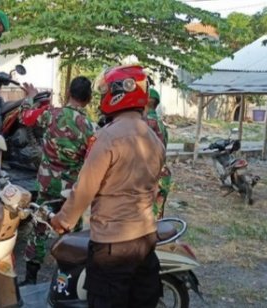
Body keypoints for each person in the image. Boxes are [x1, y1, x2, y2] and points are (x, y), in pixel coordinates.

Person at [50, 65, 165, 308]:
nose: (102, 96)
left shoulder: (108, 137)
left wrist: (63, 220)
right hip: (145, 239)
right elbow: (155, 188)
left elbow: (85, 188)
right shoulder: (154, 139)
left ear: (120, 93)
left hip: (114, 244)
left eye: (106, 90)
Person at [19, 76, 97, 285]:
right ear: (88, 99)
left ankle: (30, 279)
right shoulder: (91, 128)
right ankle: (68, 279)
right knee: (73, 235)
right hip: (71, 191)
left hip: (46, 184)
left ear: (69, 93)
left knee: (39, 228)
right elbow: (91, 160)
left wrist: (31, 98)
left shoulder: (51, 115)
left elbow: (25, 118)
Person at [144, 88, 172, 219]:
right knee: (157, 218)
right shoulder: (162, 124)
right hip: (162, 173)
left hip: (146, 175)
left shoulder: (142, 122)